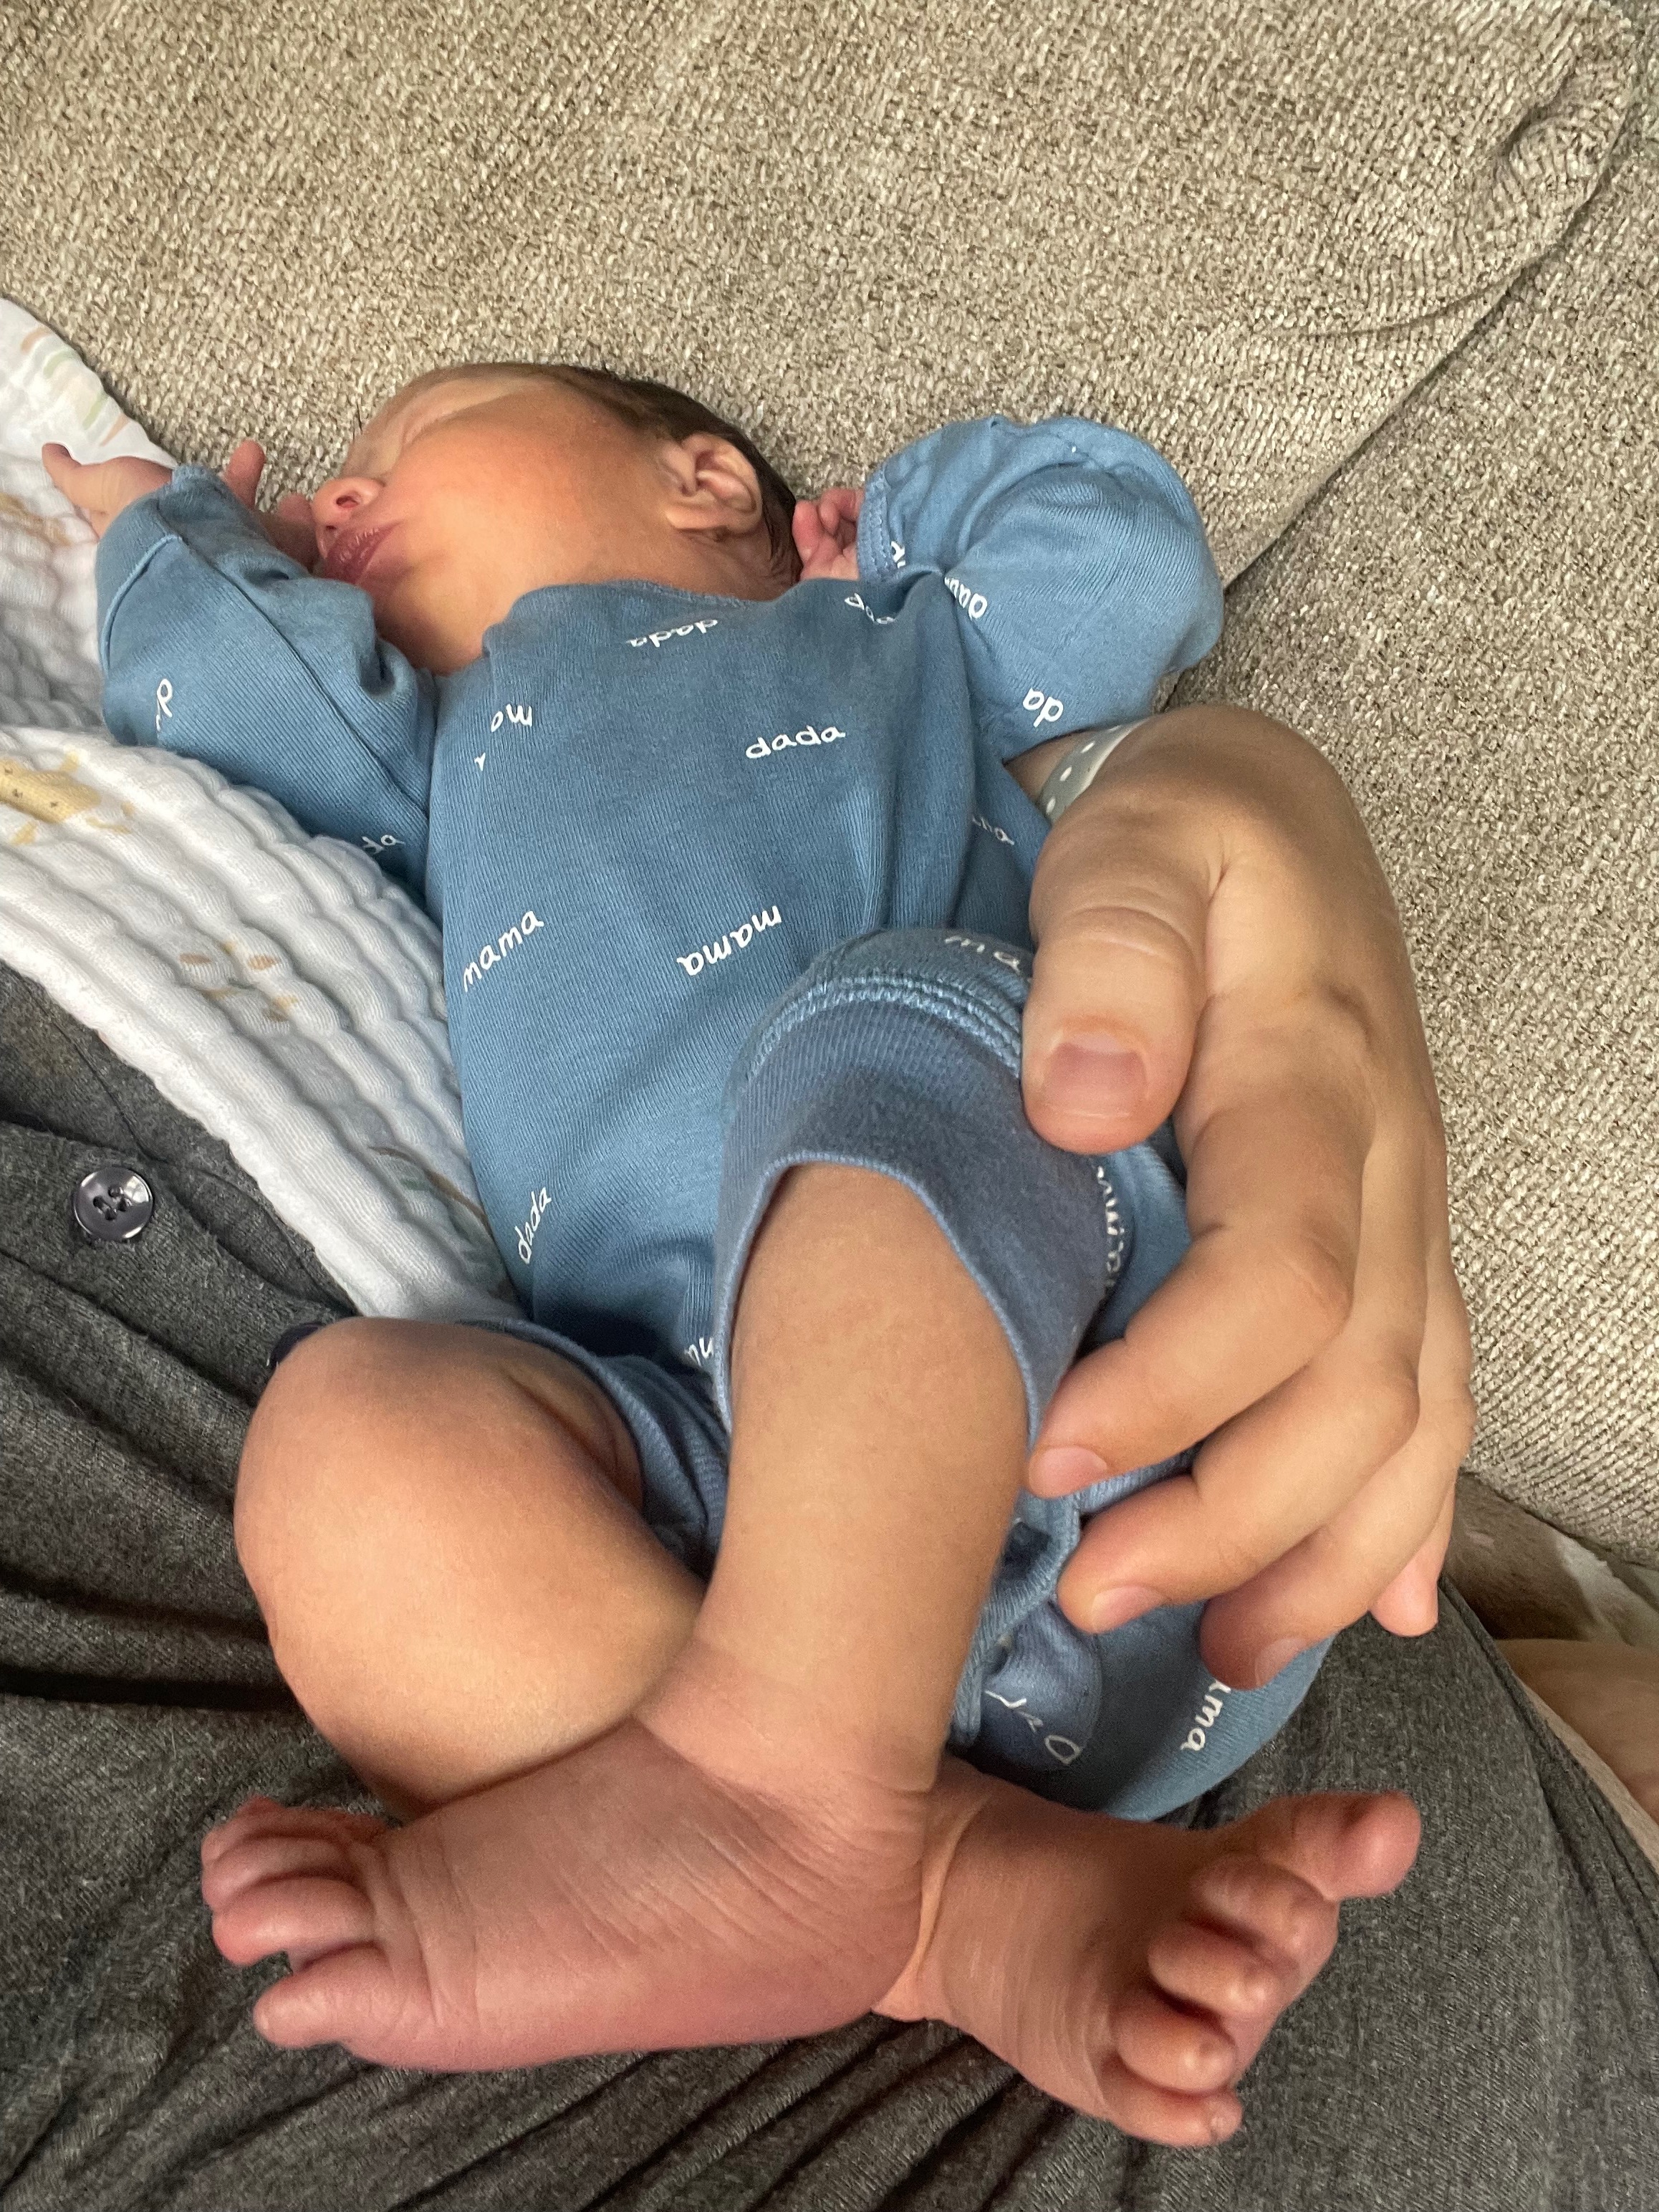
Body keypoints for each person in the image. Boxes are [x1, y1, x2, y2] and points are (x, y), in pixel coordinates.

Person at [41, 368, 1453, 2144]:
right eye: (341, 485)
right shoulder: (439, 762)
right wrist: (160, 528)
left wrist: (898, 529)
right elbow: (243, 697)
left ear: (707, 478)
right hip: (705, 1510)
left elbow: (1121, 547)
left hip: (1079, 1355)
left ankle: (787, 1780)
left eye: (415, 437)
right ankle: (941, 1890)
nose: (342, 493)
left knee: (893, 1027)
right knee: (346, 1441)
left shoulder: (900, 640)